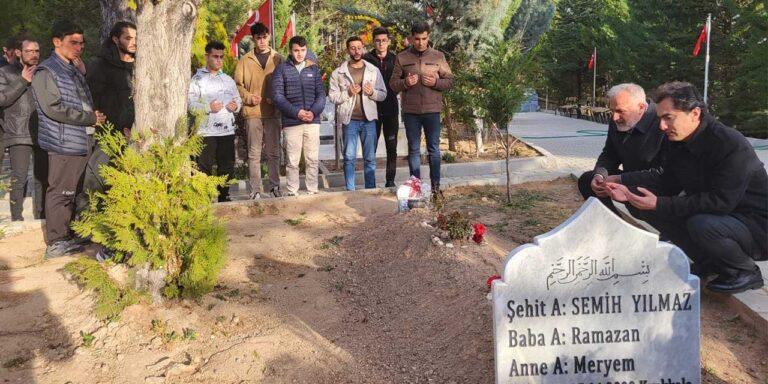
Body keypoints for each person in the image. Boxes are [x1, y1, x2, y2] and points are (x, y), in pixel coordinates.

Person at [606, 81, 767, 294]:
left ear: (695, 113)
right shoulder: (678, 141)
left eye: (668, 118)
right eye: (660, 119)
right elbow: (667, 182)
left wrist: (659, 203)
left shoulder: (728, 143)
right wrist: (628, 189)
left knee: (701, 223)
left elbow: (720, 202)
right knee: (646, 205)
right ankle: (709, 262)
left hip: (756, 225)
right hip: (725, 218)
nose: (662, 126)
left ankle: (745, 271)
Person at [31, 20, 106, 258]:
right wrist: (87, 117)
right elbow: (53, 107)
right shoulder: (46, 71)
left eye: (82, 43)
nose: (79, 47)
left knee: (79, 190)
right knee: (61, 192)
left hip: (82, 140)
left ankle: (74, 233)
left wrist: (93, 116)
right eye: (73, 42)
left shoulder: (72, 69)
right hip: (63, 142)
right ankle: (56, 241)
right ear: (56, 42)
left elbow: (80, 102)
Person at [77, 21, 137, 222]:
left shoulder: (142, 65)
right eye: (128, 38)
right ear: (115, 39)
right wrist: (96, 116)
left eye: (135, 38)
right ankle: (88, 224)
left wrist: (134, 127)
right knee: (96, 178)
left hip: (137, 135)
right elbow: (90, 97)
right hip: (108, 133)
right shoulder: (100, 65)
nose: (133, 42)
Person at [577, 83, 665, 213]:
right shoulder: (617, 120)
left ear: (641, 107)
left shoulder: (664, 123)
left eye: (620, 111)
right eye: (612, 110)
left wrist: (620, 179)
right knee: (588, 180)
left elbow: (664, 172)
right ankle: (614, 224)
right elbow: (610, 154)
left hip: (659, 184)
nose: (614, 117)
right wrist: (600, 174)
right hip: (631, 178)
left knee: (633, 194)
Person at [390, 21, 453, 193]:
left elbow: (450, 81)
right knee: (414, 150)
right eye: (417, 39)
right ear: (411, 38)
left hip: (432, 110)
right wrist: (405, 82)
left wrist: (436, 82)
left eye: (424, 38)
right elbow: (393, 84)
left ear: (428, 37)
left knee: (433, 149)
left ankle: (435, 188)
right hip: (411, 112)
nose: (420, 42)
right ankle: (415, 189)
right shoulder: (402, 57)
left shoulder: (438, 56)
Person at [234, 22, 285, 199]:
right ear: (253, 39)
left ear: (269, 36)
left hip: (272, 112)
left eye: (264, 37)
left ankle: (275, 187)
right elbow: (238, 86)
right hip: (253, 112)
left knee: (273, 152)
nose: (262, 41)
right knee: (254, 153)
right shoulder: (245, 60)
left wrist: (277, 99)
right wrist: (249, 97)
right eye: (258, 38)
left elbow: (285, 82)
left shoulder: (278, 58)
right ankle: (255, 189)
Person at [329, 36, 387, 191]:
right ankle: (351, 191)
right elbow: (333, 97)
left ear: (363, 48)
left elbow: (383, 94)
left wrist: (372, 92)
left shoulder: (373, 70)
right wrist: (348, 92)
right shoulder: (338, 73)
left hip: (369, 121)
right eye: (352, 48)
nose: (356, 51)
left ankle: (371, 190)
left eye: (359, 48)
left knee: (370, 158)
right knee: (349, 157)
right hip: (349, 120)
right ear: (348, 50)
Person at [188, 41, 242, 202]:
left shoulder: (227, 80)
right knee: (204, 166)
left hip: (226, 130)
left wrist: (236, 106)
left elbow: (238, 99)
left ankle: (224, 196)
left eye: (221, 57)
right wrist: (208, 106)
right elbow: (190, 105)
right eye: (215, 56)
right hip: (206, 131)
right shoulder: (197, 80)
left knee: (227, 165)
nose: (218, 60)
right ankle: (203, 198)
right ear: (207, 56)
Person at [0, 35, 47, 221]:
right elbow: (2, 99)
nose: (33, 54)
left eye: (36, 51)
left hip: (42, 131)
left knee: (41, 177)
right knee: (19, 177)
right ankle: (16, 219)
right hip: (18, 131)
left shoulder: (43, 72)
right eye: (29, 51)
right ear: (19, 52)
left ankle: (41, 217)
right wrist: (22, 81)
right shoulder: (5, 72)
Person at [272, 36, 326, 196]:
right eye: (296, 50)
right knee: (292, 161)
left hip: (312, 121)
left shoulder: (313, 69)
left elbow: (321, 95)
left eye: (303, 50)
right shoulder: (281, 69)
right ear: (290, 51)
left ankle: (312, 190)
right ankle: (292, 191)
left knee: (312, 159)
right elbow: (277, 96)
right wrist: (297, 112)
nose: (300, 54)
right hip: (292, 122)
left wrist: (313, 112)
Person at [364, 27, 400, 187]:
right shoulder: (366, 59)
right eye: (378, 40)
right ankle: (370, 183)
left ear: (389, 42)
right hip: (371, 110)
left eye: (384, 40)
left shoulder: (396, 59)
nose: (381, 43)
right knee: (370, 149)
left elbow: (402, 82)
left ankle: (390, 181)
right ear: (373, 42)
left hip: (391, 109)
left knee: (391, 147)